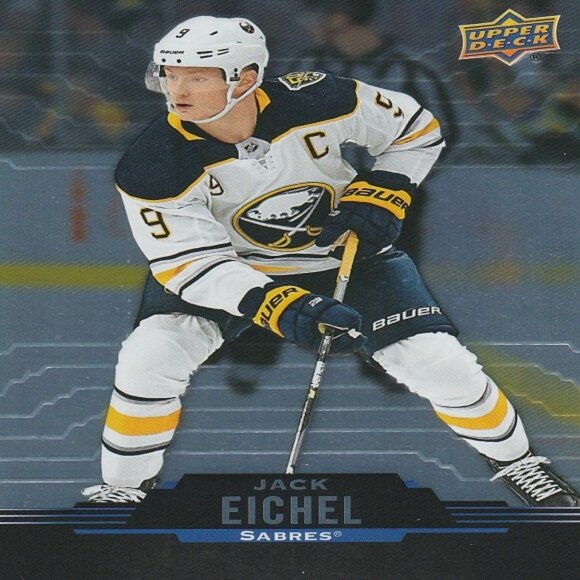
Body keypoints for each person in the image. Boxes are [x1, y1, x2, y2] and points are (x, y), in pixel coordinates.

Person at [81, 16, 578, 506]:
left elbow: (416, 128)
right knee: (149, 357)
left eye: (196, 77)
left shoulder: (319, 98)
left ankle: (520, 464)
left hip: (345, 256)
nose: (176, 90)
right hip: (231, 270)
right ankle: (124, 488)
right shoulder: (151, 164)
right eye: (169, 75)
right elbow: (189, 264)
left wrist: (387, 187)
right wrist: (274, 303)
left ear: (246, 78)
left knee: (439, 363)